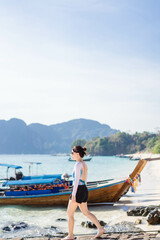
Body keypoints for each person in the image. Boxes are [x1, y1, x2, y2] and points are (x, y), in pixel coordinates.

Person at [62, 145, 105, 240]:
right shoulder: (84, 164)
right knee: (86, 212)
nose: (71, 155)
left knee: (69, 213)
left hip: (77, 190)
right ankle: (100, 228)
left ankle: (70, 236)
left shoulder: (77, 165)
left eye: (72, 153)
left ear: (77, 154)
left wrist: (73, 194)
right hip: (84, 189)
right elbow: (84, 180)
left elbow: (76, 180)